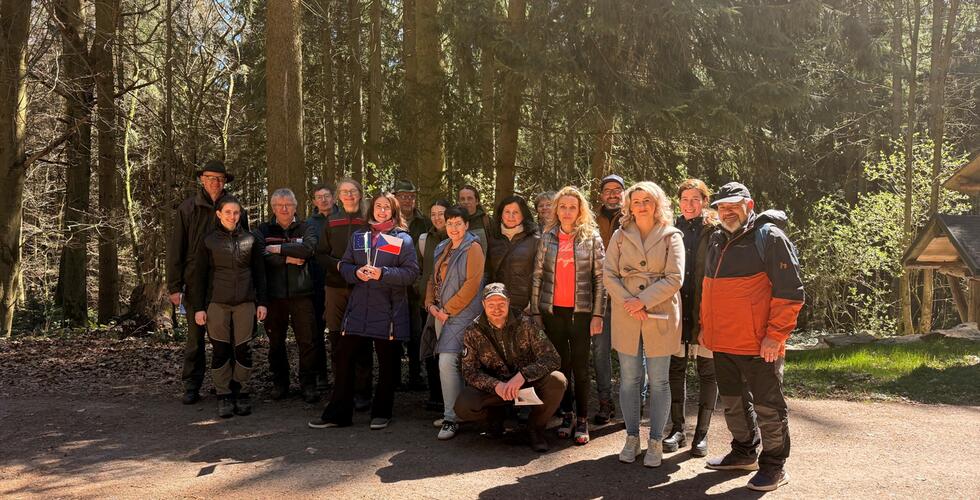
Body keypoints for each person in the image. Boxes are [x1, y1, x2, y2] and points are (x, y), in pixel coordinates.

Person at [700, 182, 804, 492]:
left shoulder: (770, 237)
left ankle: (774, 466)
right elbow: (709, 290)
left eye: (733, 205)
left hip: (761, 344)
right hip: (724, 342)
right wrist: (708, 328)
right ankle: (744, 452)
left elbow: (790, 293)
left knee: (768, 407)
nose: (726, 211)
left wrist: (775, 335)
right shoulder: (717, 239)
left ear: (750, 204)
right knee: (732, 402)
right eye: (721, 206)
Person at [308, 192, 420, 429]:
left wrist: (384, 274)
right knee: (343, 356)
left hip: (388, 311)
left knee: (388, 363)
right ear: (371, 210)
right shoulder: (360, 236)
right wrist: (355, 273)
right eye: (378, 206)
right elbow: (346, 264)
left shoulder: (403, 239)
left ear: (393, 212)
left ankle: (381, 412)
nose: (381, 211)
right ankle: (338, 413)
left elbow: (411, 273)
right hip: (358, 308)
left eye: (386, 208)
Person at [603, 181, 684, 467]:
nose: (640, 206)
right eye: (635, 201)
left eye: (646, 200)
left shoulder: (671, 236)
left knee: (660, 380)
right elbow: (608, 274)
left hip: (659, 311)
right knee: (629, 379)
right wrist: (629, 301)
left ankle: (656, 441)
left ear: (657, 203)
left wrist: (644, 300)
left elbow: (675, 278)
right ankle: (632, 437)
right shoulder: (620, 235)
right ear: (629, 205)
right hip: (627, 312)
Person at [167, 159, 249, 405]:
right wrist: (174, 285)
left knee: (229, 339)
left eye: (220, 178)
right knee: (195, 339)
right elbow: (176, 248)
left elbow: (245, 244)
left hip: (227, 283)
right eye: (210, 177)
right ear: (202, 179)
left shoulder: (234, 207)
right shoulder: (188, 208)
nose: (215, 182)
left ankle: (228, 385)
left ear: (225, 182)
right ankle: (192, 384)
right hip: (194, 283)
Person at [530, 186, 604, 445]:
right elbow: (538, 275)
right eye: (563, 206)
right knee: (561, 367)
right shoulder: (547, 237)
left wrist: (598, 314)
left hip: (581, 313)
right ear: (556, 210)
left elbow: (600, 278)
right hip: (553, 312)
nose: (568, 211)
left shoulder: (592, 238)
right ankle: (567, 415)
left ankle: (583, 418)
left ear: (580, 210)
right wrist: (536, 311)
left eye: (573, 207)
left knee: (581, 368)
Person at [456, 283, 567, 453]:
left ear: (508, 303)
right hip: (497, 392)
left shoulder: (526, 323)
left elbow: (552, 358)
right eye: (491, 305)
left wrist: (523, 375)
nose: (496, 309)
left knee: (557, 380)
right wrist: (496, 385)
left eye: (501, 304)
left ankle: (535, 428)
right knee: (463, 405)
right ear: (484, 305)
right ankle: (496, 417)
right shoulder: (473, 330)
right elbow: (469, 372)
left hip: (526, 388)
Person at [187, 196, 267, 418]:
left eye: (236, 212)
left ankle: (242, 392)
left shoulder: (251, 240)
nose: (233, 216)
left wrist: (262, 303)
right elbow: (199, 277)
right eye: (228, 212)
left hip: (245, 302)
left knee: (243, 349)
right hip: (216, 303)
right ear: (219, 214)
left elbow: (260, 274)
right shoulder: (208, 241)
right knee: (221, 350)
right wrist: (199, 308)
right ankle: (223, 395)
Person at [662, 179, 721, 457]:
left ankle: (702, 435)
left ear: (704, 201)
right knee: (676, 369)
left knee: (708, 372)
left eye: (695, 199)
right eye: (685, 199)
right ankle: (677, 430)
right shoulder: (671, 229)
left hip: (706, 309)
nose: (689, 204)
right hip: (677, 310)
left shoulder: (716, 230)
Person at [424, 206, 485, 440]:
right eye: (450, 223)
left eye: (458, 223)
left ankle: (451, 419)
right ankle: (456, 412)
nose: (454, 228)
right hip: (441, 313)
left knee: (447, 362)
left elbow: (472, 285)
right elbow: (432, 279)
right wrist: (430, 304)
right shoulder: (442, 247)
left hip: (462, 315)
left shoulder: (473, 248)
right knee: (450, 365)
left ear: (467, 225)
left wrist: (447, 310)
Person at [255, 188, 319, 403]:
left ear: (295, 206)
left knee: (307, 342)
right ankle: (280, 383)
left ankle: (308, 384)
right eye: (279, 205)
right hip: (274, 296)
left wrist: (278, 250)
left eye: (288, 204)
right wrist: (288, 258)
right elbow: (261, 255)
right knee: (276, 342)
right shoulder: (263, 229)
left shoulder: (306, 227)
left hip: (302, 295)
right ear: (273, 208)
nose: (284, 208)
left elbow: (308, 250)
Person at [314, 178, 373, 410]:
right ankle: (342, 390)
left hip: (363, 288)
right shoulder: (331, 221)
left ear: (359, 194)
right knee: (337, 339)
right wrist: (339, 267)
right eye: (344, 192)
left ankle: (363, 392)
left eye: (353, 191)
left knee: (363, 340)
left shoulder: (368, 222)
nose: (349, 195)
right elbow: (320, 254)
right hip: (335, 287)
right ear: (338, 196)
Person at [393, 180, 432, 390]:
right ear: (395, 198)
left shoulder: (424, 222)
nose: (407, 200)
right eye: (403, 196)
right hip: (395, 284)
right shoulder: (389, 221)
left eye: (411, 196)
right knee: (395, 331)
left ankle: (416, 375)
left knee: (417, 332)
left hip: (417, 286)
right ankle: (395, 376)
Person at [593, 174, 625, 425]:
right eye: (608, 191)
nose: (612, 194)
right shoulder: (592, 219)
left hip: (628, 292)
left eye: (617, 190)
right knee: (600, 348)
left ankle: (634, 401)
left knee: (632, 350)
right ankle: (606, 401)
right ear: (601, 195)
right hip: (599, 293)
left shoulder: (634, 216)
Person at [417, 200, 452, 411]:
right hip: (427, 303)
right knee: (431, 347)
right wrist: (420, 290)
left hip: (451, 305)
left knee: (450, 351)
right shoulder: (425, 238)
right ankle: (435, 395)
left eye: (442, 213)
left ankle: (452, 397)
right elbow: (419, 267)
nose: (437, 217)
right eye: (433, 213)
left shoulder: (457, 237)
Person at [486, 195, 539, 312]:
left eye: (515, 212)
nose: (511, 216)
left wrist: (533, 305)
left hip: (525, 306)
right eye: (507, 212)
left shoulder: (535, 239)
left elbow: (539, 276)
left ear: (523, 215)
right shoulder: (493, 238)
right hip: (497, 305)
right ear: (501, 215)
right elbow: (488, 273)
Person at [307, 184, 335, 393]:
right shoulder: (308, 224)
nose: (324, 200)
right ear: (314, 201)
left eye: (327, 196)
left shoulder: (343, 218)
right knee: (316, 331)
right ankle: (320, 376)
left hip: (340, 282)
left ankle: (341, 372)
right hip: (316, 284)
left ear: (334, 198)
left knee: (339, 333)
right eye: (319, 197)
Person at [457, 185, 492, 251]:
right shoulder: (454, 221)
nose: (466, 202)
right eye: (462, 199)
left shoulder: (486, 221)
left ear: (477, 201)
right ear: (458, 202)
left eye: (469, 198)